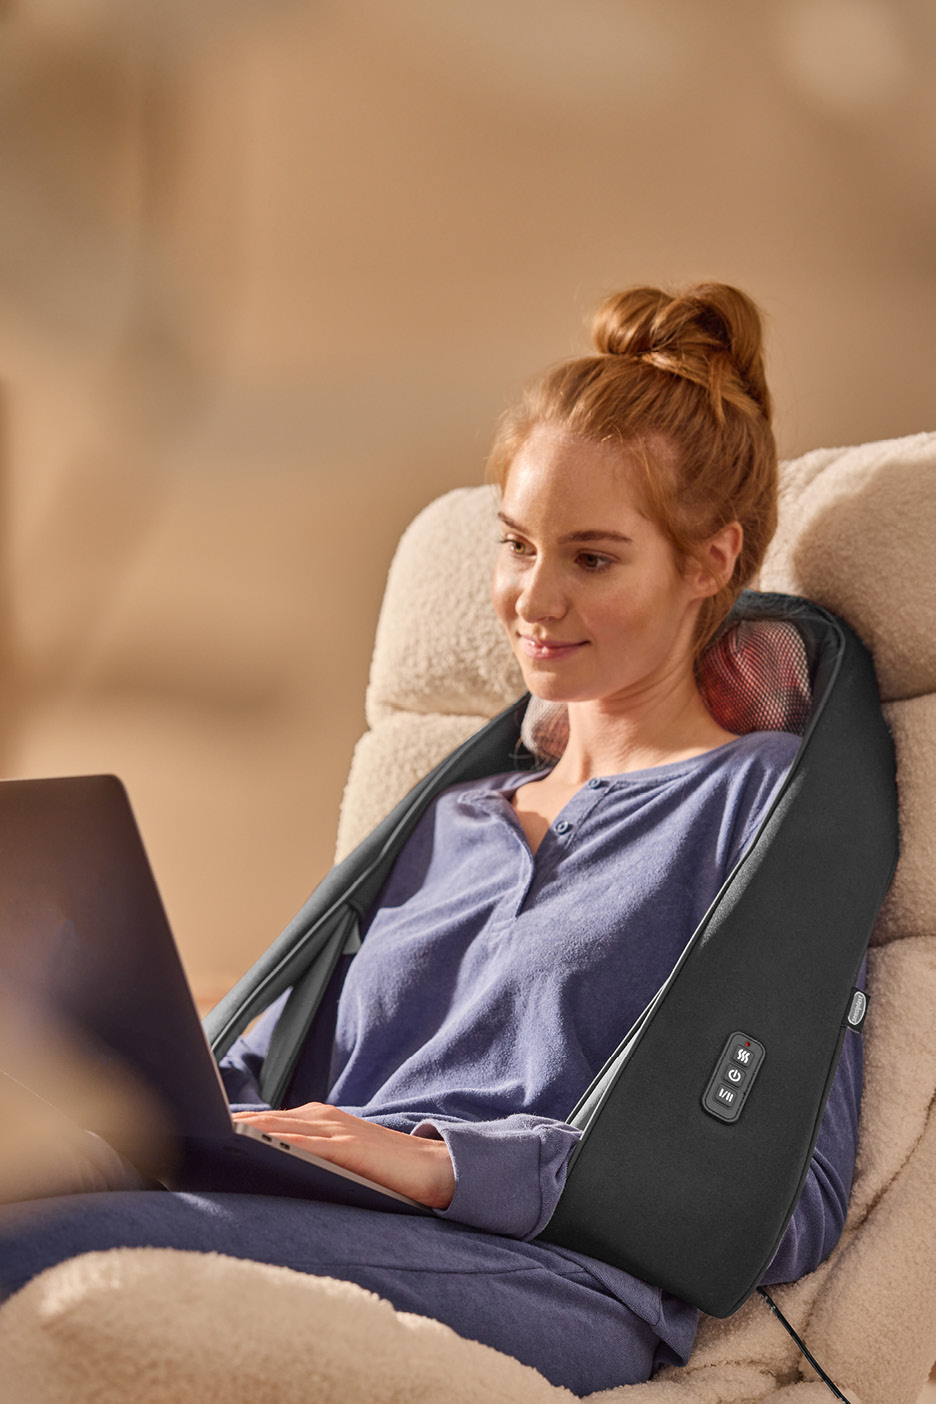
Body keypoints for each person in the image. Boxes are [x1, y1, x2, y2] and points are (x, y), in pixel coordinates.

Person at [0, 284, 862, 1396]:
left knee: (34, 1256)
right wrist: (181, 1092)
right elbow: (305, 1079)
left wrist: (447, 1165)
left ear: (709, 563)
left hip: (544, 1274)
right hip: (311, 1206)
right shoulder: (454, 816)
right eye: (515, 545)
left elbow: (792, 1199)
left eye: (592, 559)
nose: (530, 599)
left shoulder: (757, 810)